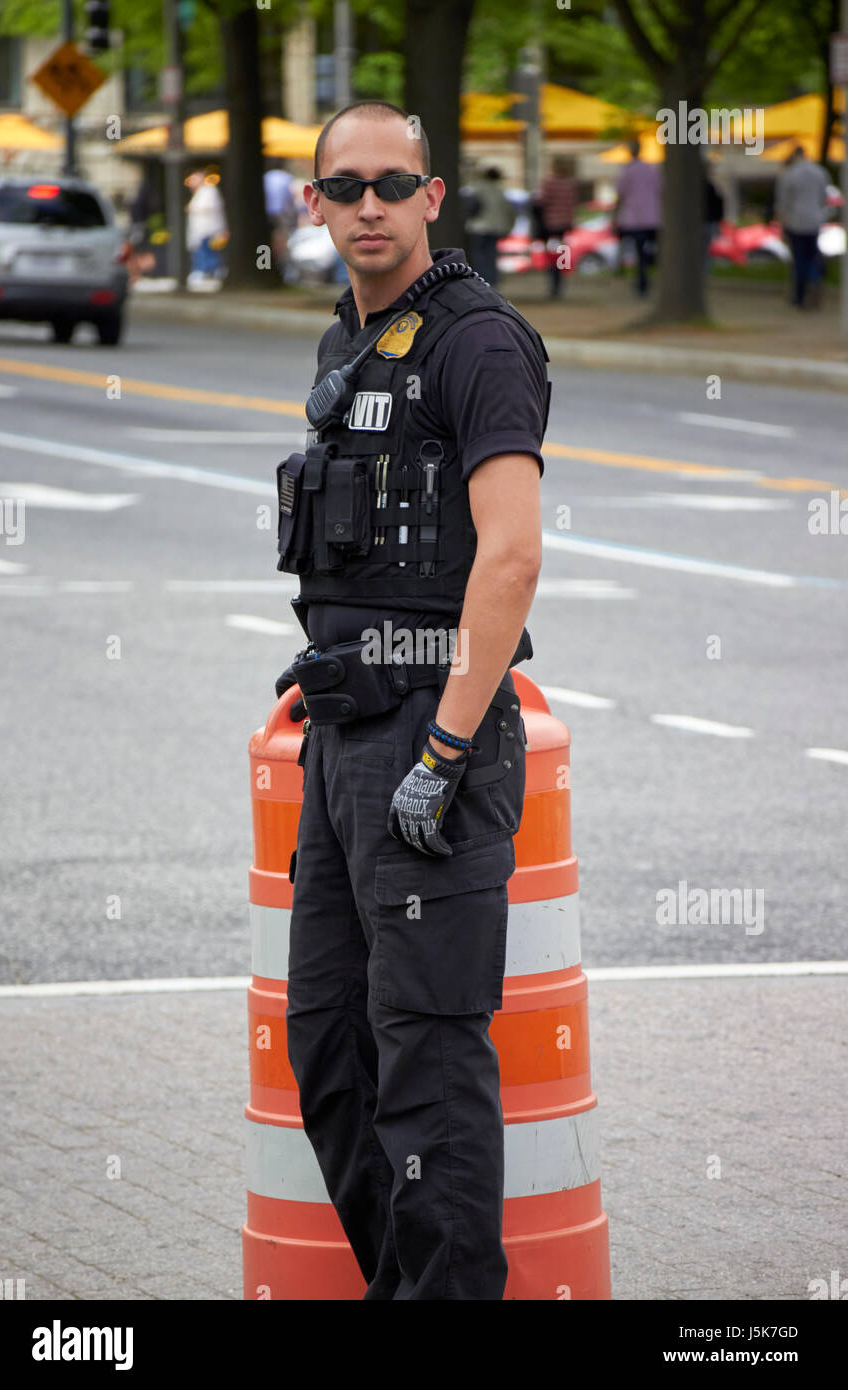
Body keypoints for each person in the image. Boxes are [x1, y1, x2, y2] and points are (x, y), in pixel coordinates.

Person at [273, 98, 551, 1300]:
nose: (370, 205)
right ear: (316, 204)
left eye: (394, 184)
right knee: (329, 1047)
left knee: (426, 1072)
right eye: (347, 187)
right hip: (344, 743)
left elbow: (511, 554)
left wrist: (440, 748)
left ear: (433, 197)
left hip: (432, 744)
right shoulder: (346, 339)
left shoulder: (475, 342)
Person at [775, 144, 829, 309]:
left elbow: (782, 203)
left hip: (795, 221)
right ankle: (814, 280)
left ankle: (799, 296)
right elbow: (824, 197)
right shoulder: (820, 172)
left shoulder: (789, 174)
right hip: (814, 220)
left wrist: (782, 224)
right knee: (812, 255)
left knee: (799, 259)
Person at [614, 138, 662, 297]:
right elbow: (661, 190)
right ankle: (648, 281)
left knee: (638, 252)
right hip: (652, 218)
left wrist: (614, 215)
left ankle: (641, 283)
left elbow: (620, 195)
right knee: (649, 252)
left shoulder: (627, 170)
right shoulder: (651, 169)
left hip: (634, 219)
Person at [531, 156, 578, 299]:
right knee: (560, 254)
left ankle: (553, 281)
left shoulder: (549, 182)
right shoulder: (570, 183)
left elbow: (541, 200)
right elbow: (572, 204)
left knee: (551, 254)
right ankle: (558, 282)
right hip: (563, 225)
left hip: (550, 224)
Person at [463, 165, 516, 286]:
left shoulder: (477, 188)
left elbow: (469, 207)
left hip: (477, 227)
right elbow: (508, 211)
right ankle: (492, 280)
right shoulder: (501, 191)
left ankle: (479, 279)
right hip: (495, 228)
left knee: (478, 255)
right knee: (491, 254)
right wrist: (508, 227)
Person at [185, 168, 228, 283]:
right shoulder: (199, 192)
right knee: (201, 251)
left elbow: (207, 207)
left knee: (208, 252)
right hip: (199, 231)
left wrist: (193, 209)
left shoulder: (209, 191)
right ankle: (203, 271)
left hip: (208, 230)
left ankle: (209, 271)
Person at [264, 158, 297, 273]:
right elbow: (290, 199)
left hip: (266, 214)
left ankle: (264, 265)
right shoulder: (287, 178)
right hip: (280, 214)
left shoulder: (266, 177)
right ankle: (280, 266)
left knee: (267, 243)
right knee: (281, 241)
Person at [703, 161, 724, 275]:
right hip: (709, 222)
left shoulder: (701, 187)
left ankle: (703, 271)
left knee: (702, 248)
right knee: (706, 249)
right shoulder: (711, 187)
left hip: (705, 222)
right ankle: (705, 271)